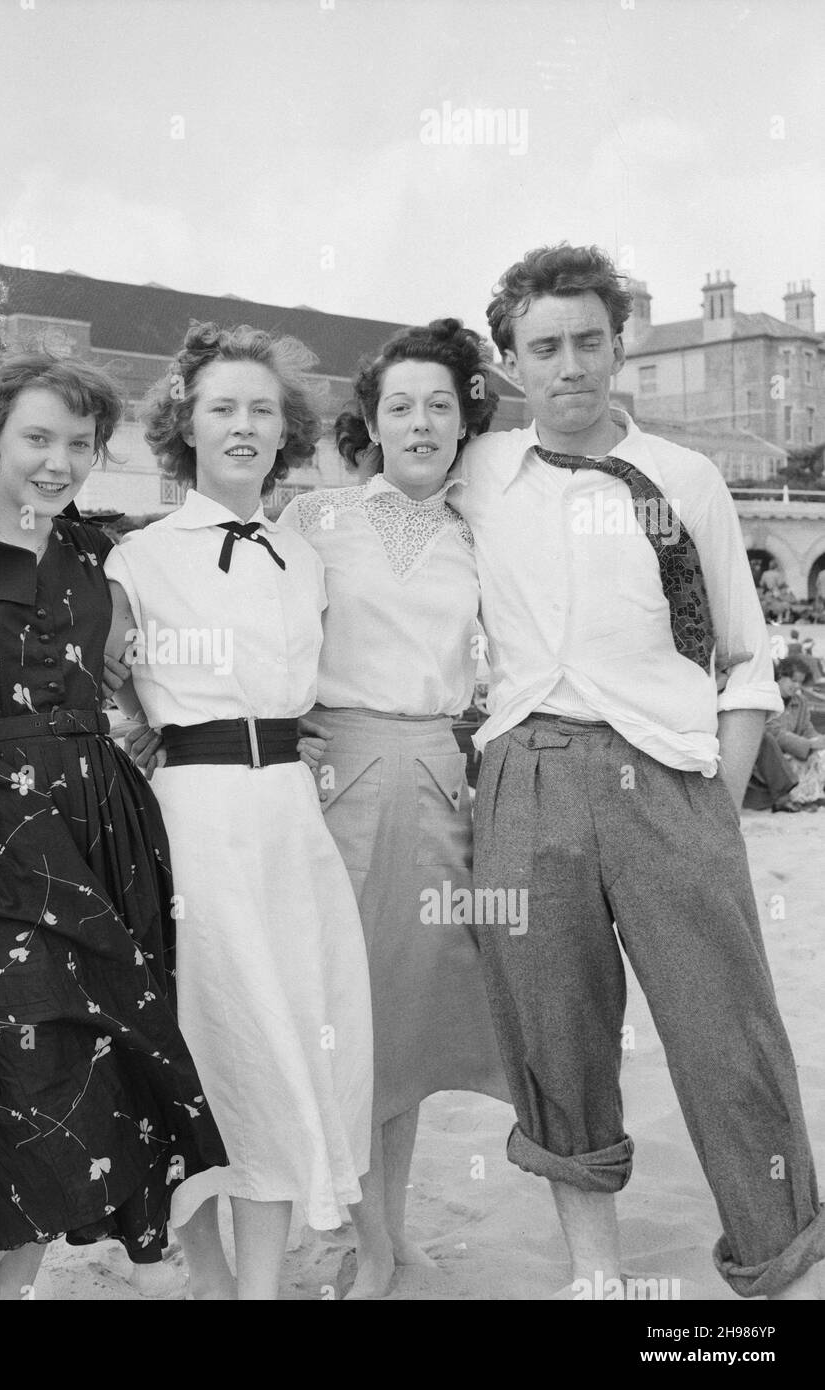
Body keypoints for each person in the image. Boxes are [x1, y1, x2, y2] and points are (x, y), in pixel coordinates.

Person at [455, 242, 824, 1298]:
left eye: (585, 342)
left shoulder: (685, 477)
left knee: (727, 1034)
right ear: (509, 362)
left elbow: (747, 659)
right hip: (524, 778)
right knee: (554, 1032)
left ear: (616, 347)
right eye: (542, 347)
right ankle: (596, 1276)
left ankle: (779, 1265)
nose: (567, 365)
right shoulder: (480, 476)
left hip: (667, 781)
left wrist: (714, 800)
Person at [0, 349, 226, 1300]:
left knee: (90, 1077)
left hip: (104, 825)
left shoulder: (107, 557)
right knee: (18, 1076)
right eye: (36, 438)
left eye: (78, 443)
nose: (57, 461)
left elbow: (204, 604)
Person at [104, 322, 374, 1300]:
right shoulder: (134, 559)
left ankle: (257, 1290)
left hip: (288, 821)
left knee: (281, 1043)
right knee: (209, 1043)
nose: (243, 425)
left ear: (283, 428)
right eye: (222, 406)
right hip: (192, 818)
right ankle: (209, 1279)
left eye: (261, 408)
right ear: (185, 422)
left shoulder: (303, 556)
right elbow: (103, 700)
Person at [277, 319, 510, 1299]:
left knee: (406, 1030)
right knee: (341, 1019)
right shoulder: (314, 518)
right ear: (369, 420)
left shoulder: (477, 537)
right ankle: (365, 1243)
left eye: (440, 406)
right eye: (399, 405)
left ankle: (389, 1232)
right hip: (334, 781)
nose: (419, 422)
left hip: (437, 787)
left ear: (466, 423)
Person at [766, 655, 825, 807]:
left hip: (797, 750)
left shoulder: (800, 701)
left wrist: (819, 740)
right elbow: (774, 733)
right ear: (780, 676)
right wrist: (810, 745)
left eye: (800, 682)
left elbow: (806, 728)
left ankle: (813, 794)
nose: (797, 686)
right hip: (774, 758)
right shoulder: (768, 700)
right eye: (793, 680)